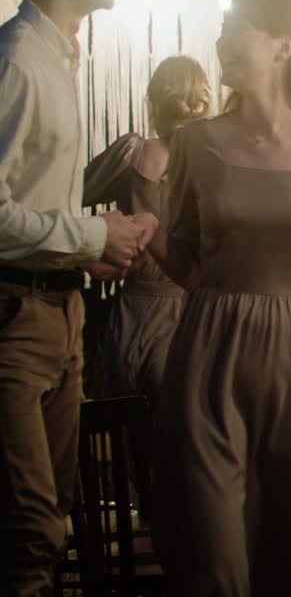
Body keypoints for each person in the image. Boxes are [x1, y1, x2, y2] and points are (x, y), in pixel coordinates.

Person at [146, 0, 291, 596]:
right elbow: (189, 266)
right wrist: (146, 235)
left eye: (236, 28)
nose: (221, 42)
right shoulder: (194, 144)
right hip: (211, 364)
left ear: (284, 46)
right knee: (216, 562)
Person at [0, 0, 156, 593]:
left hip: (61, 315)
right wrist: (93, 233)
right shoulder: (17, 62)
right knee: (31, 530)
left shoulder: (60, 56)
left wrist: (86, 253)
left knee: (53, 519)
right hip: (14, 321)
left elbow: (30, 208)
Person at [83, 55, 211, 399]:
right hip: (188, 313)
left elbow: (64, 200)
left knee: (125, 428)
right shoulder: (216, 166)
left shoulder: (134, 152)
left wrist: (92, 242)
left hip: (133, 311)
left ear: (153, 102)